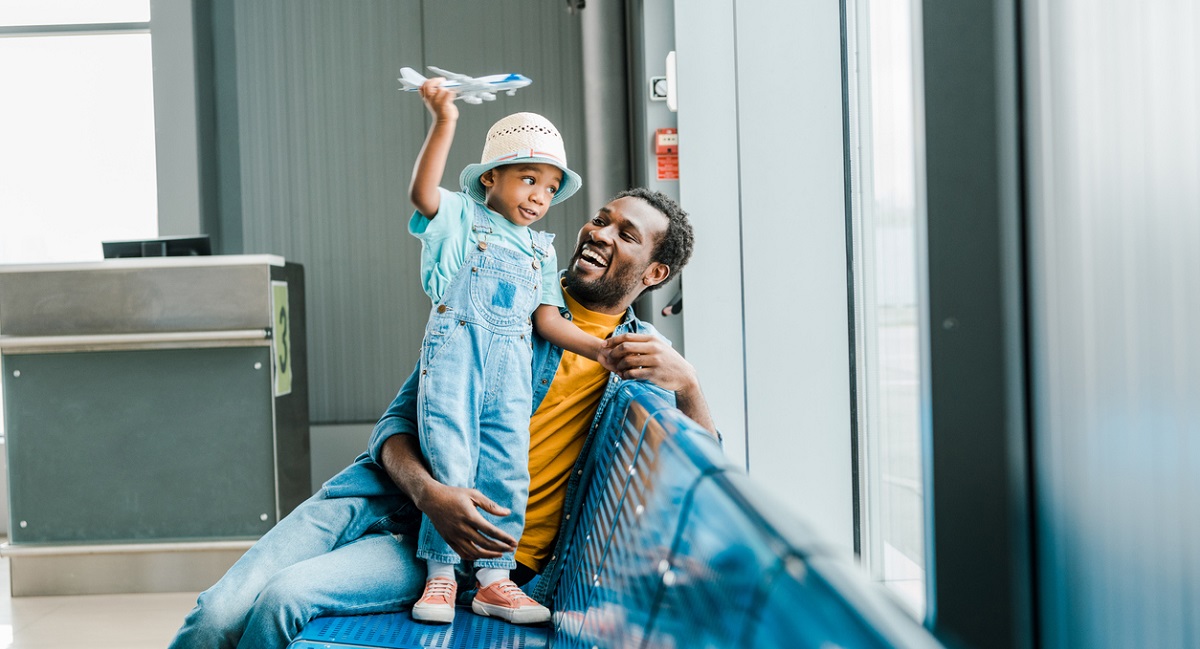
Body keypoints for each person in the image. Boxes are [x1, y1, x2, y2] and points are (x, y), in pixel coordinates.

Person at [168, 184, 716, 648]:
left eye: (626, 234)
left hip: (468, 554)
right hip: (378, 496)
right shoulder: (501, 296)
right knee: (215, 614)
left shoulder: (640, 360)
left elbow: (703, 474)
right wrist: (429, 493)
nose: (600, 233)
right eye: (601, 219)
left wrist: (689, 384)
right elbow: (395, 426)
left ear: (655, 272)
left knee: (283, 599)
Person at [404, 79, 612, 625]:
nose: (540, 196)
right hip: (457, 362)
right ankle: (441, 575)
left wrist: (602, 350)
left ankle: (494, 580)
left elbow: (547, 320)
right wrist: (444, 121)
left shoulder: (541, 250)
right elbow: (423, 195)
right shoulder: (460, 220)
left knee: (507, 467)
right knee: (450, 461)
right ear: (490, 178)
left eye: (551, 187)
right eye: (528, 179)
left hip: (513, 373)